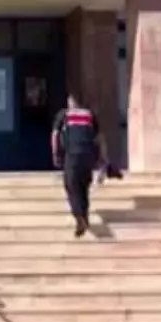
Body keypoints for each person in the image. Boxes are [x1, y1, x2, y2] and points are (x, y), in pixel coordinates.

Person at [51, 94, 105, 237]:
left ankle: (79, 217)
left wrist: (56, 154)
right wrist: (101, 160)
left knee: (71, 185)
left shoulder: (64, 115)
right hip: (88, 156)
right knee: (83, 187)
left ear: (70, 102)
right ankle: (85, 216)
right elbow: (99, 138)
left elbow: (55, 135)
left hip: (73, 155)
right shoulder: (90, 115)